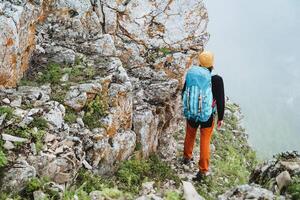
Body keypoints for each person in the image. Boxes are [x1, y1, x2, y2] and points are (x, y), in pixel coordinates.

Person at [181, 51, 225, 181]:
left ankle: (186, 157)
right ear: (212, 64)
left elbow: (184, 91)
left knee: (190, 134)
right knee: (205, 140)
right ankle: (203, 170)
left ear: (200, 62)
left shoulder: (192, 74)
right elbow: (221, 100)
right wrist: (220, 117)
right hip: (207, 115)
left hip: (192, 112)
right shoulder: (216, 79)